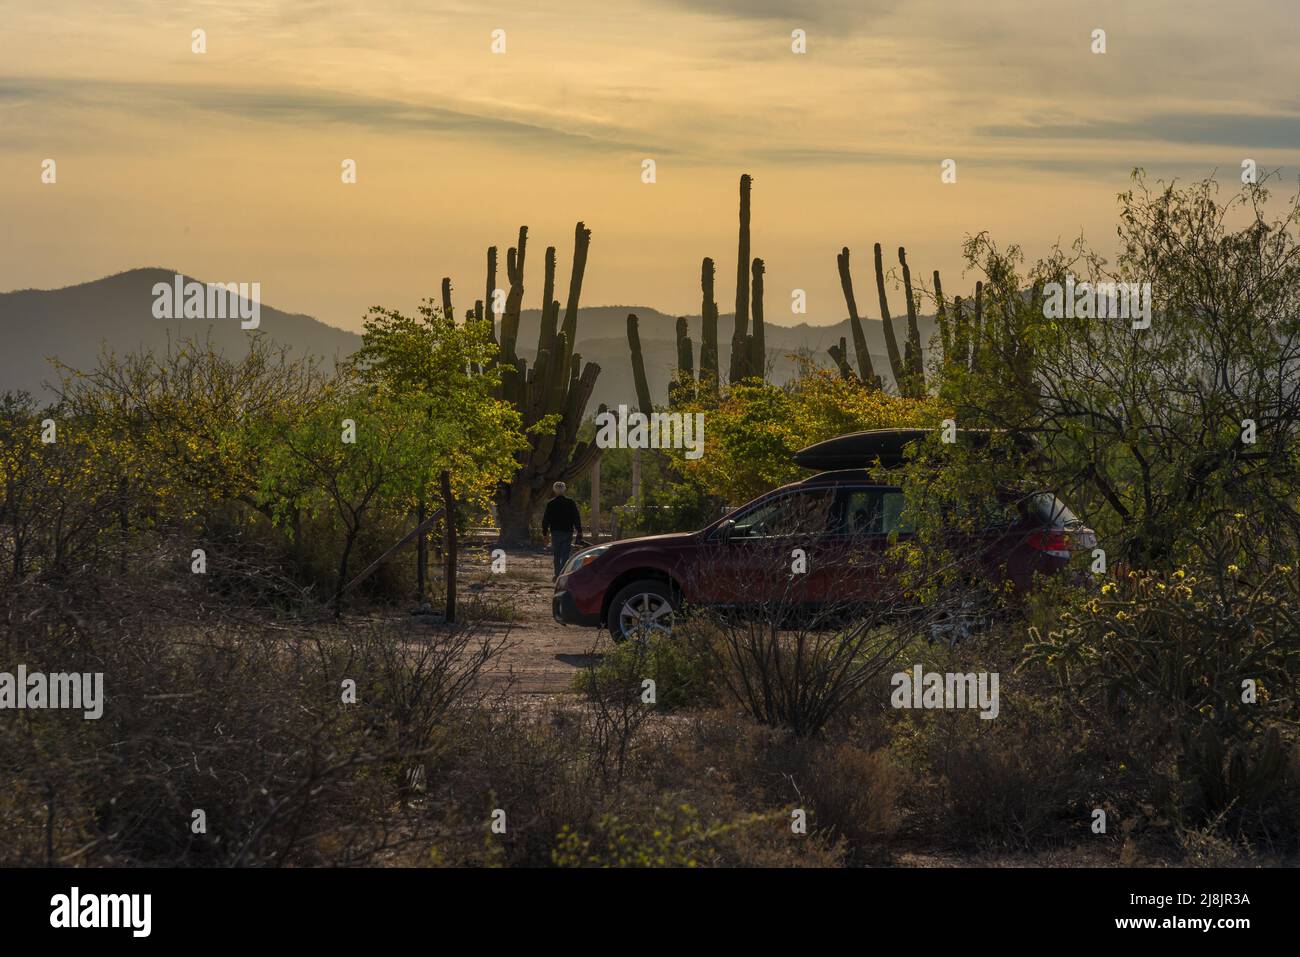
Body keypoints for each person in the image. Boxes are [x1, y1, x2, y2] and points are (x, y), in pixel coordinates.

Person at [541, 481, 583, 578]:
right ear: (564, 490)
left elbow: (546, 519)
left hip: (555, 532)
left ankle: (557, 574)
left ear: (554, 490)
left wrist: (545, 532)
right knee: (565, 554)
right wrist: (579, 530)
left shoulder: (551, 503)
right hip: (567, 531)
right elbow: (576, 517)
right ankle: (563, 574)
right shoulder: (570, 502)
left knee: (557, 554)